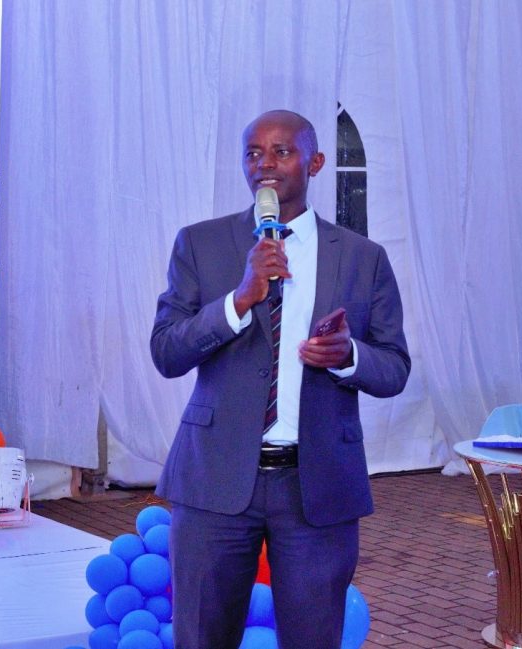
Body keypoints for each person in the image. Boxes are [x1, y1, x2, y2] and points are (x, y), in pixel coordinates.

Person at [150, 109, 410, 649]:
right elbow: (167, 352)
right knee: (200, 638)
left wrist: (347, 355)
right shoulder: (201, 244)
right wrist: (238, 299)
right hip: (214, 482)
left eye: (281, 151)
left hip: (316, 489)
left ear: (314, 162)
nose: (264, 164)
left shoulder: (363, 259)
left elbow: (394, 368)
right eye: (253, 153)